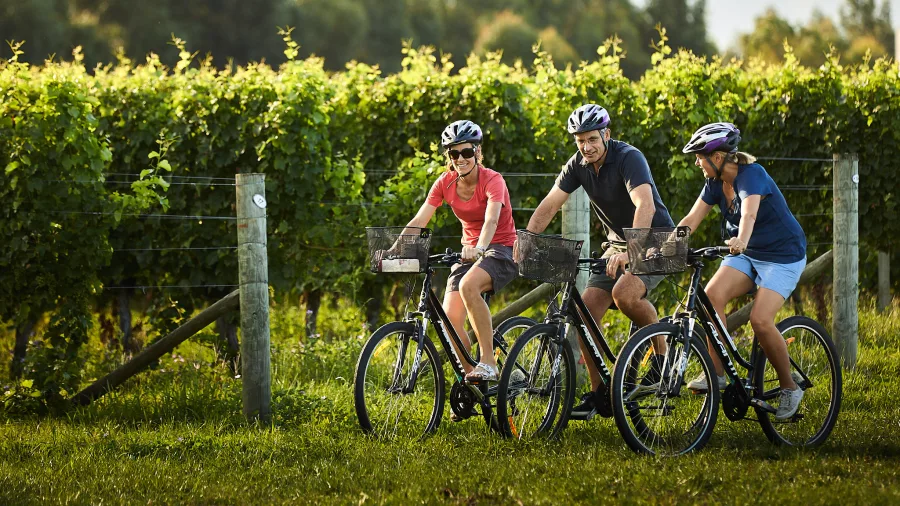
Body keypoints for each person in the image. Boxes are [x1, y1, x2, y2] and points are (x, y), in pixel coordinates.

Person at [518, 104, 675, 419]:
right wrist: (526, 240)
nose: (586, 147)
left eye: (592, 139)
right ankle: (600, 391)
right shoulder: (577, 164)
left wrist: (631, 251)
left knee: (625, 294)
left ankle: (663, 360)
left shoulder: (629, 158)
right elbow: (550, 203)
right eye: (580, 141)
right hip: (617, 244)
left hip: (656, 239)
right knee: (583, 312)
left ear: (607, 134)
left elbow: (644, 204)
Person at [677, 122, 807, 420]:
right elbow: (692, 218)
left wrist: (741, 240)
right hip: (748, 253)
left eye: (699, 156)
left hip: (782, 256)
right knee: (710, 299)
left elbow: (749, 213)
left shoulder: (752, 175)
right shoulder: (713, 183)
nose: (697, 162)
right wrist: (668, 246)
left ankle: (789, 387)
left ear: (718, 157)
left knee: (760, 320)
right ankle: (718, 373)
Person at [400, 120, 518, 384]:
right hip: (469, 253)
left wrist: (479, 248)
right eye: (454, 154)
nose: (460, 159)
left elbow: (491, 220)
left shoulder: (492, 180)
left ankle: (488, 361)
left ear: (477, 152)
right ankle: (472, 380)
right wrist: (394, 249)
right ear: (448, 156)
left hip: (501, 249)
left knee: (468, 286)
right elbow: (419, 221)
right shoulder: (445, 182)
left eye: (466, 152)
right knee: (449, 319)